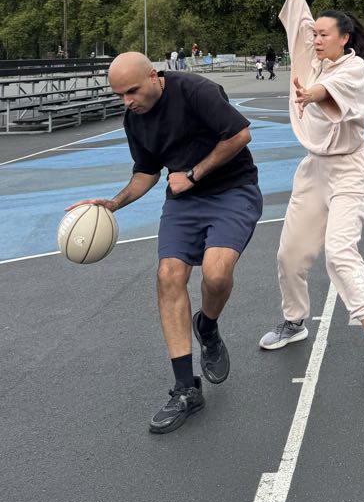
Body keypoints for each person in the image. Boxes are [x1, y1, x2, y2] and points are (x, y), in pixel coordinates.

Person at [65, 52, 262, 434]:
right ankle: (186, 389)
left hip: (233, 190)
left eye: (132, 91)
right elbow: (146, 172)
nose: (127, 101)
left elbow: (240, 134)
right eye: (120, 95)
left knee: (217, 276)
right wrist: (113, 203)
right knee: (169, 275)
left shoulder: (196, 91)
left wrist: (193, 172)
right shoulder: (133, 118)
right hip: (184, 200)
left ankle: (207, 326)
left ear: (154, 76)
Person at [258, 0, 364, 390]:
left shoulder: (353, 68)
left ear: (344, 38)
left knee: (339, 254)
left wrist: (310, 92)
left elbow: (327, 93)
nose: (315, 37)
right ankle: (294, 320)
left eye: (323, 33)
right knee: (289, 252)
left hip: (349, 170)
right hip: (313, 169)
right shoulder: (307, 46)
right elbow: (296, 0)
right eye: (314, 32)